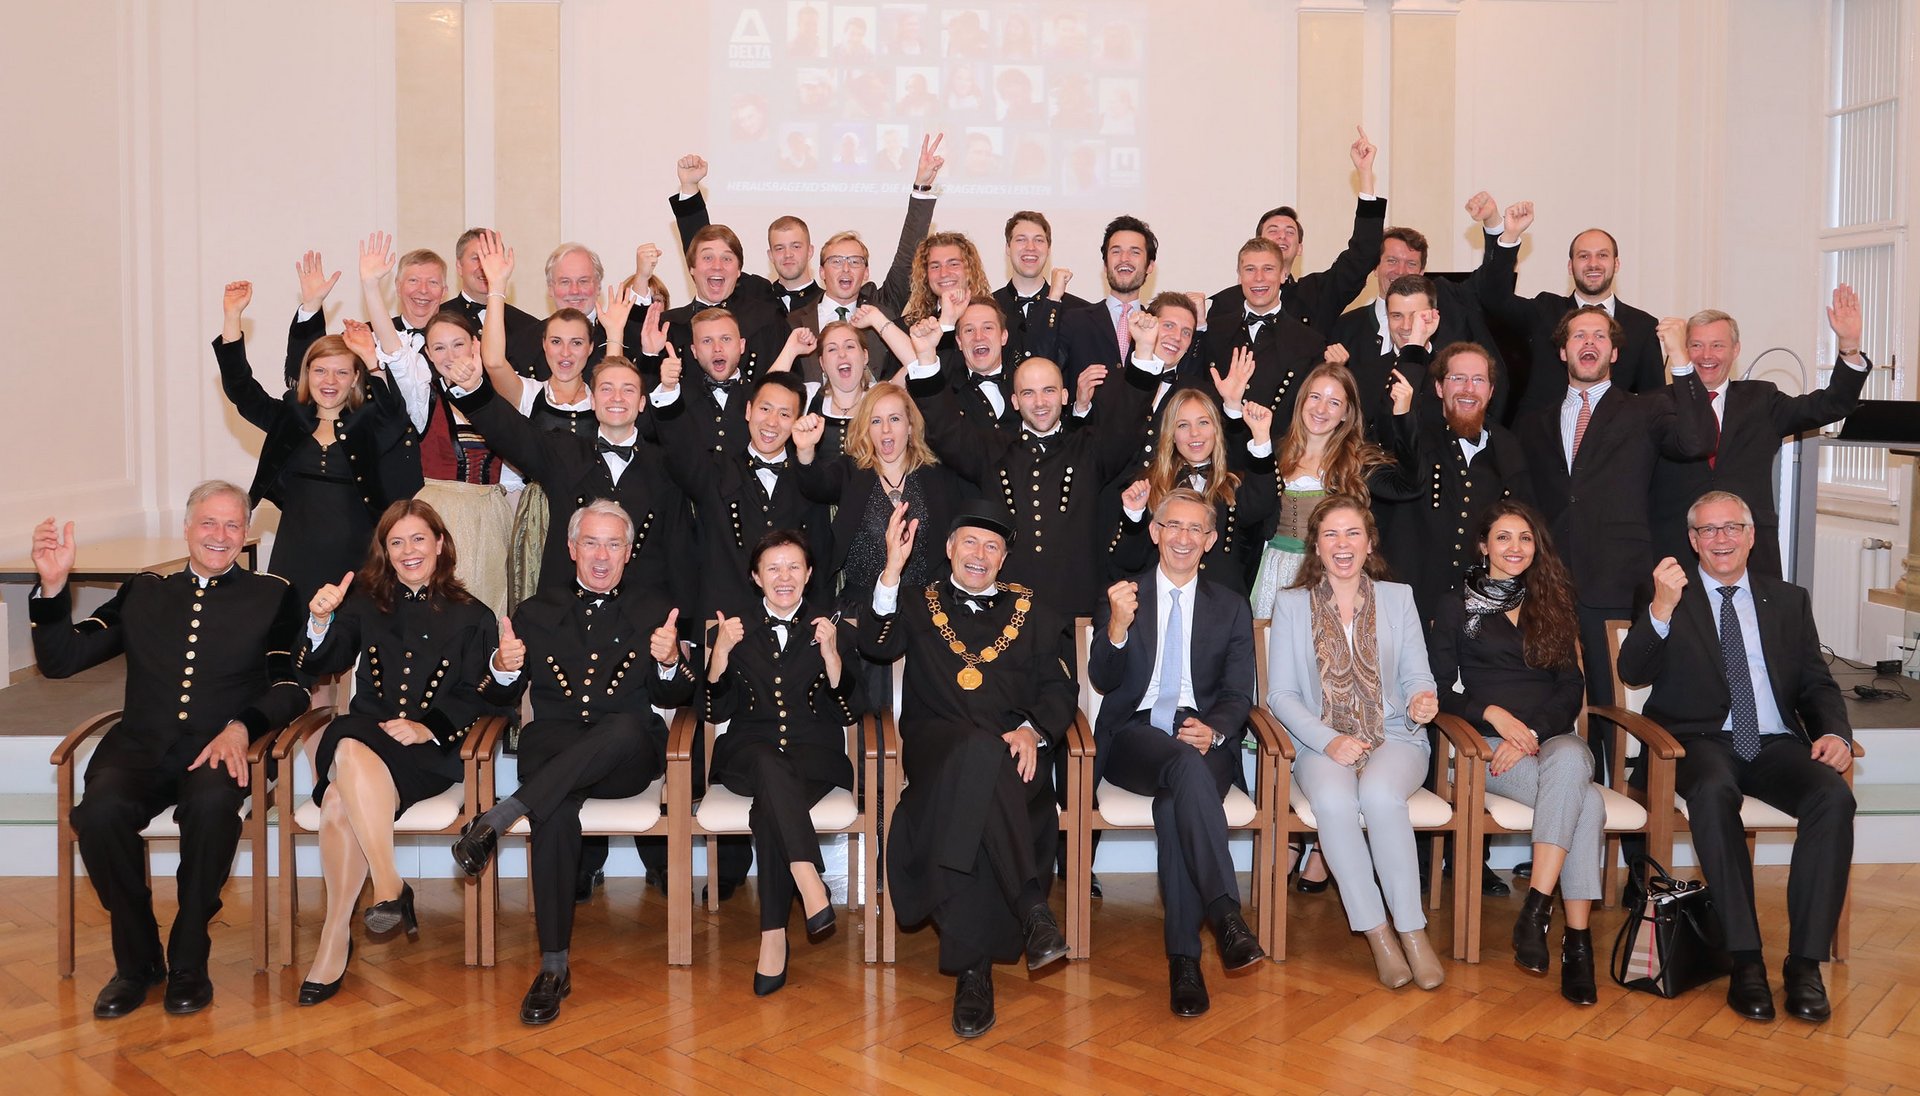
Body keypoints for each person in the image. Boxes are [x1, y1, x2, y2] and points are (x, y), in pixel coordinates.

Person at [31, 482, 307, 1018]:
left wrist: (240, 728)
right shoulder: (144, 591)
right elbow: (62, 660)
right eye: (208, 523)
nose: (219, 536)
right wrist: (53, 587)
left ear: (246, 533)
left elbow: (290, 687)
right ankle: (136, 963)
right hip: (139, 747)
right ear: (185, 528)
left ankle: (188, 960)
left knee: (209, 809)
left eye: (232, 525)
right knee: (100, 813)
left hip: (220, 751)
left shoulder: (274, 594)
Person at [450, 500, 695, 1025]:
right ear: (570, 549)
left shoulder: (655, 610)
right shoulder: (535, 611)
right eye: (590, 542)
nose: (601, 556)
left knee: (627, 726)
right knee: (555, 809)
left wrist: (672, 660)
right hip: (556, 748)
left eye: (613, 544)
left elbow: (675, 694)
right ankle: (553, 966)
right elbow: (493, 697)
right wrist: (504, 667)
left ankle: (500, 814)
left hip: (624, 760)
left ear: (628, 553)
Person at [1617, 491, 1856, 1024]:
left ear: (1751, 536)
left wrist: (1836, 732)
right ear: (1692, 541)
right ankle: (1745, 959)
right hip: (1696, 742)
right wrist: (1660, 609)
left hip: (1774, 743)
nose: (1720, 539)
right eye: (1707, 530)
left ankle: (1805, 964)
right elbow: (1632, 671)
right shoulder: (1667, 595)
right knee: (1713, 790)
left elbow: (1817, 683)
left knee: (1832, 798)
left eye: (1731, 528)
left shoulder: (1788, 600)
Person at [860, 506, 1078, 1038]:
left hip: (1013, 761)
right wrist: (892, 567)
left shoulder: (1037, 612)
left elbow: (1060, 690)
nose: (980, 555)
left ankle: (974, 973)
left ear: (1004, 558)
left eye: (991, 547)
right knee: (977, 751)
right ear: (950, 549)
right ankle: (1032, 907)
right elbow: (875, 643)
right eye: (970, 543)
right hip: (938, 752)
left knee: (980, 790)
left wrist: (1033, 730)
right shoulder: (914, 602)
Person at [291, 500, 501, 1004]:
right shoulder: (362, 601)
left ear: (441, 543)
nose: (409, 551)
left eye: (418, 539)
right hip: (362, 733)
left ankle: (337, 935)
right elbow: (323, 661)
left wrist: (428, 728)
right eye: (396, 542)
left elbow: (483, 694)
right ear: (385, 551)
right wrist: (319, 620)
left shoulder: (475, 615)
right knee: (348, 744)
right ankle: (386, 887)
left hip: (425, 753)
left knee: (339, 798)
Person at [1089, 489, 1267, 1017]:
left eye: (1196, 529)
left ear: (1210, 541)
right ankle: (1226, 914)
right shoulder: (1124, 595)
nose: (1183, 537)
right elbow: (1102, 678)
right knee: (1179, 769)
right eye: (1173, 525)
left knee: (1175, 804)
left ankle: (1184, 962)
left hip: (1203, 735)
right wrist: (1117, 627)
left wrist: (1214, 730)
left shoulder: (1231, 607)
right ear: (1155, 531)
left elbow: (1239, 695)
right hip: (1136, 736)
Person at [1265, 495, 1447, 991]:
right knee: (1332, 799)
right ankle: (1379, 934)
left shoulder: (1398, 597)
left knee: (1381, 796)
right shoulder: (1290, 603)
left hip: (1395, 734)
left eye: (1352, 534)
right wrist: (1328, 741)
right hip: (1320, 739)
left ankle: (1413, 933)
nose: (1342, 544)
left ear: (1370, 544)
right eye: (1330, 535)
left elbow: (1417, 675)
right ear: (1316, 547)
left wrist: (1422, 700)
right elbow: (1279, 695)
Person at [1428, 501, 1601, 1004]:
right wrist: (1497, 718)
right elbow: (1440, 690)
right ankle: (1578, 944)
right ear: (1483, 546)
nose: (1515, 548)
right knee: (1586, 803)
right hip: (1493, 749)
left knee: (1570, 760)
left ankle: (1538, 907)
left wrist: (1534, 729)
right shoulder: (1455, 604)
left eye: (1525, 538)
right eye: (1503, 538)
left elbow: (1572, 686)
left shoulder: (1554, 600)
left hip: (1552, 739)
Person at [1513, 305, 1712, 724]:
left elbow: (1697, 441)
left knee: (1610, 708)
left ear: (1614, 354)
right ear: (1563, 352)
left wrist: (1682, 362)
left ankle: (1609, 787)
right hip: (1548, 588)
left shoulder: (1646, 410)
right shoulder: (1533, 425)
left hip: (1616, 584)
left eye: (1600, 336)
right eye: (1579, 336)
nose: (1589, 342)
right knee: (1544, 704)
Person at [704, 531, 860, 995]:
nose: (784, 577)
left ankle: (773, 937)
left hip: (815, 755)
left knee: (771, 806)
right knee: (771, 768)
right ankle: (809, 880)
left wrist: (833, 658)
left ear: (809, 575)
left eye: (793, 567)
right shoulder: (731, 628)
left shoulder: (831, 627)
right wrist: (719, 657)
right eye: (773, 568)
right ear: (756, 577)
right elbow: (715, 712)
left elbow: (850, 710)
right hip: (747, 749)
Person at [213, 280, 423, 606]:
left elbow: (395, 416)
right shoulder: (289, 418)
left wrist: (370, 357)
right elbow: (241, 390)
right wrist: (232, 318)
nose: (329, 381)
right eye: (320, 371)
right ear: (307, 373)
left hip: (357, 562)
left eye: (341, 373)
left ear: (355, 379)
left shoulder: (368, 425)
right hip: (293, 555)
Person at [1648, 289, 1872, 577]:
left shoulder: (1761, 399)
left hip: (1749, 553)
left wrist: (1849, 345)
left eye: (1717, 345)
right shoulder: (1656, 405)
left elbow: (1831, 405)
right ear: (1683, 349)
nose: (1706, 355)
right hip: (1676, 551)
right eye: (1696, 345)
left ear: (1736, 350)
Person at [359, 231, 518, 615]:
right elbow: (394, 349)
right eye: (439, 348)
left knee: (494, 607)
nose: (450, 355)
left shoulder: (505, 391)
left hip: (496, 514)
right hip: (438, 514)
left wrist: (497, 289)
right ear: (427, 353)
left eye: (458, 344)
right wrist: (370, 287)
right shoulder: (422, 395)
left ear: (475, 345)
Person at [1380, 342, 1534, 624]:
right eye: (1458, 378)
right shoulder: (1413, 436)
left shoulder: (1509, 448)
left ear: (1491, 391)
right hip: (1408, 607)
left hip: (1479, 615)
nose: (1468, 388)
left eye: (1478, 380)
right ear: (1439, 388)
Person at [1475, 200, 1666, 415]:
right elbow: (1494, 299)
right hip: (1545, 440)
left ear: (1616, 264)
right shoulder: (1545, 311)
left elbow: (1655, 401)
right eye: (1583, 256)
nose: (1593, 264)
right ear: (1570, 266)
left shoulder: (1642, 326)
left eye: (1602, 255)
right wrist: (1509, 236)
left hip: (1614, 444)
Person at [1247, 361, 1400, 620]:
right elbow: (1250, 511)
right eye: (1315, 397)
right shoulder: (1275, 453)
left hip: (1330, 570)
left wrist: (1404, 414)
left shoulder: (1358, 462)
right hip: (1275, 568)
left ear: (1345, 413)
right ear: (1301, 401)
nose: (1320, 408)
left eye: (1333, 402)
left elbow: (1409, 484)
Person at [1205, 126, 1384, 335]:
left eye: (1290, 232)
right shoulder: (1224, 304)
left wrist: (1365, 175)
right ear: (1258, 242)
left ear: (1300, 248)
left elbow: (1364, 254)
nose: (1282, 235)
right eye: (1273, 230)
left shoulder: (1317, 293)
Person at [1331, 218, 1507, 421]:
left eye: (1411, 263)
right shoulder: (1346, 327)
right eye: (1392, 261)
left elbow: (1488, 283)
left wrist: (1494, 224)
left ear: (1422, 272)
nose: (1401, 271)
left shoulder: (1448, 325)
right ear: (1374, 267)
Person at [1110, 389, 1277, 597]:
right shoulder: (1149, 485)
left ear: (1217, 429)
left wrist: (1261, 437)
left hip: (1222, 605)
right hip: (1161, 603)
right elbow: (1128, 560)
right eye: (1183, 425)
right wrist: (1133, 516)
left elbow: (1262, 505)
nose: (1194, 433)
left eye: (1203, 423)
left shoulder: (1234, 485)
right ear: (1171, 435)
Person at [1054, 215, 1159, 389]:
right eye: (1116, 251)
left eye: (1135, 252)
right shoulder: (1074, 321)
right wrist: (1053, 299)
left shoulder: (1157, 325)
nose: (1124, 258)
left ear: (1150, 265)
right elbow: (1045, 367)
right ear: (1105, 264)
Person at [994, 210, 1087, 366]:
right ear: (1008, 248)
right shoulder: (988, 307)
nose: (1030, 247)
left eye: (1039, 240)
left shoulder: (1078, 311)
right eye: (1021, 240)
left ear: (1048, 249)